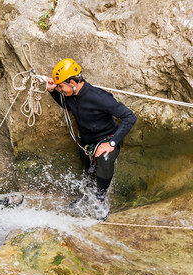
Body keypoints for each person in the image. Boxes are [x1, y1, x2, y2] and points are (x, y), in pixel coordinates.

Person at [46, 58, 137, 204]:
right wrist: (52, 92)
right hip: (87, 143)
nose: (60, 90)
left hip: (107, 138)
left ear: (73, 82)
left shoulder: (99, 97)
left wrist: (112, 143)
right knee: (88, 171)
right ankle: (86, 197)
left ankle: (100, 199)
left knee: (105, 159)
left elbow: (129, 117)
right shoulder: (71, 95)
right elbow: (68, 106)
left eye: (61, 87)